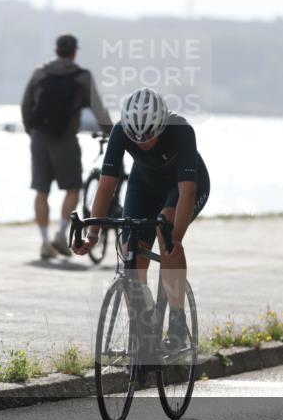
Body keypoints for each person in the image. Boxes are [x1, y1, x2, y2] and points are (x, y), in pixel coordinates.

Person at [74, 87, 210, 353]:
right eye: (135, 138)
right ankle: (144, 330)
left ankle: (177, 321)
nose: (142, 142)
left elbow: (187, 191)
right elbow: (105, 188)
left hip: (184, 186)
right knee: (131, 258)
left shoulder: (181, 131)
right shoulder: (121, 131)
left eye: (148, 136)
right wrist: (92, 234)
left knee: (166, 233)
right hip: (144, 185)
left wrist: (176, 239)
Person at [21, 34, 112, 260]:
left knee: (41, 190)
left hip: (39, 137)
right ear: (74, 52)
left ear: (56, 50)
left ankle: (43, 242)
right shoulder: (81, 77)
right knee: (72, 188)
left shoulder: (39, 72)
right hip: (65, 138)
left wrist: (30, 130)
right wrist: (112, 133)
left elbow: (25, 105)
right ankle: (61, 234)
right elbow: (98, 109)